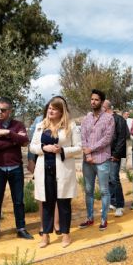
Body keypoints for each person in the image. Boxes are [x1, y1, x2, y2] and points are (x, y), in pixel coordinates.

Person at [30, 96, 81, 248]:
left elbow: (79, 148)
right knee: (46, 203)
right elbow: (32, 146)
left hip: (62, 170)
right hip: (44, 170)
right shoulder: (40, 126)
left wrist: (62, 150)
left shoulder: (70, 126)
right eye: (49, 108)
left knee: (64, 203)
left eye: (54, 109)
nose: (50, 111)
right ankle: (45, 236)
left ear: (61, 112)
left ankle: (66, 235)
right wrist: (43, 148)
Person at [0, 97, 34, 242]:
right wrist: (14, 141)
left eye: (3, 110)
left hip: (15, 167)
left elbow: (25, 141)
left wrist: (7, 134)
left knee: (18, 200)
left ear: (10, 111)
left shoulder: (18, 124)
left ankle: (21, 229)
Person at [79, 89, 115, 230]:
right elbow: (83, 137)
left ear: (102, 102)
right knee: (88, 190)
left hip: (102, 160)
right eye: (92, 99)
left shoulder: (108, 118)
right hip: (87, 161)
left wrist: (91, 149)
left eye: (96, 100)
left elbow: (107, 139)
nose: (93, 102)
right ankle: (89, 218)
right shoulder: (86, 119)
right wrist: (87, 154)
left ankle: (104, 220)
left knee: (104, 190)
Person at [104, 99, 128, 217]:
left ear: (106, 108)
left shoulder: (120, 120)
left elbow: (121, 139)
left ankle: (120, 205)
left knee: (114, 178)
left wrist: (116, 155)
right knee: (108, 180)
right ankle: (112, 203)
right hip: (105, 155)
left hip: (114, 155)